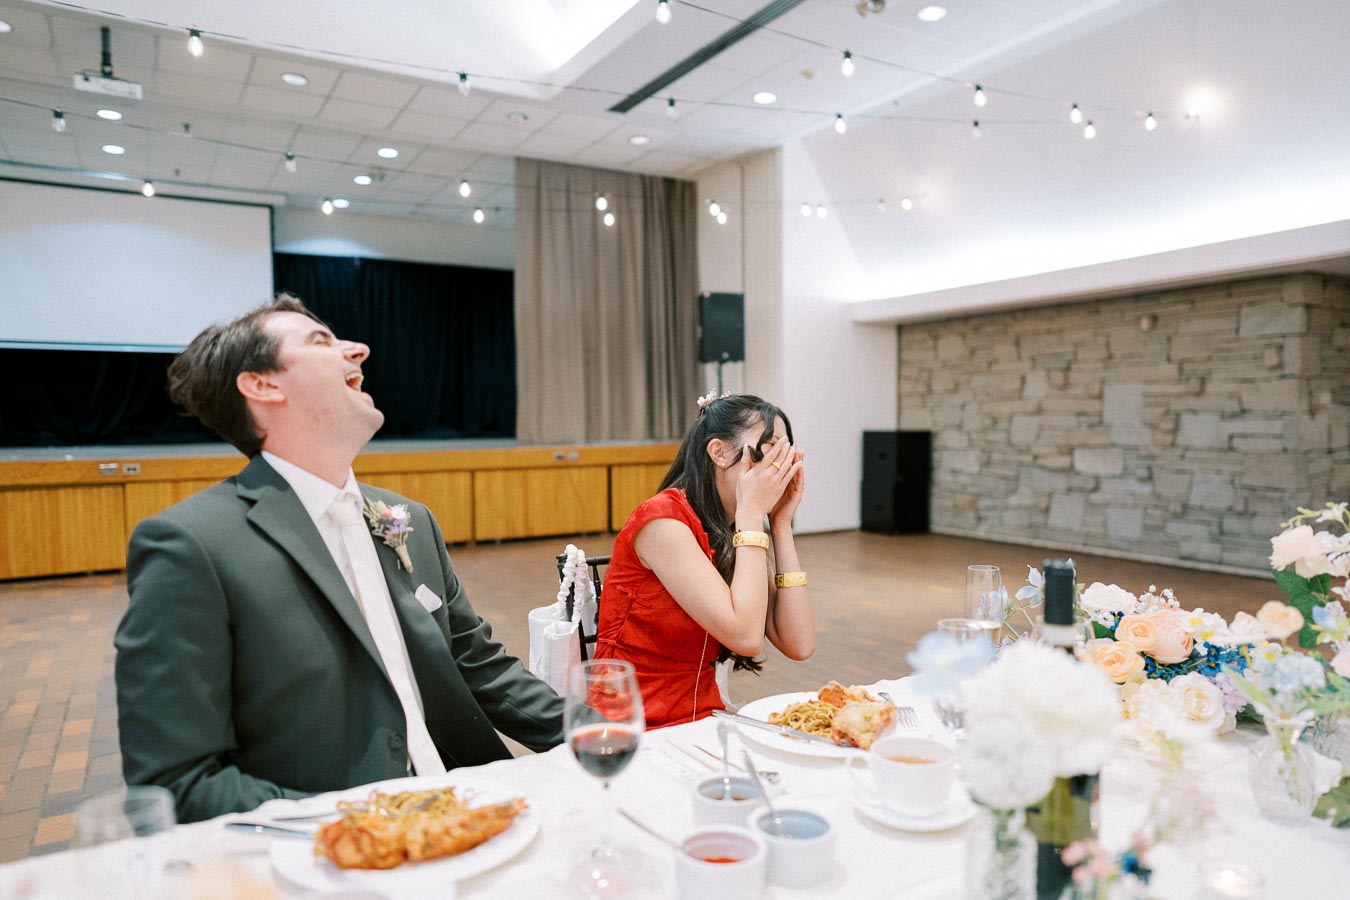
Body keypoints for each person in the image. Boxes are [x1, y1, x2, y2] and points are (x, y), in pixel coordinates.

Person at [115, 295, 563, 823]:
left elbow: (478, 667)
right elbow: (177, 782)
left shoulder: (408, 520)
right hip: (327, 852)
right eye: (321, 341)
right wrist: (361, 826)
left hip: (468, 811)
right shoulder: (193, 546)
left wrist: (617, 731)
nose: (359, 350)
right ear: (263, 384)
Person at [594, 392, 814, 728]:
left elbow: (799, 644)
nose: (779, 467)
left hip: (700, 717)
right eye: (771, 451)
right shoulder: (663, 523)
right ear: (719, 452)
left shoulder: (730, 529)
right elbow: (746, 637)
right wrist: (753, 514)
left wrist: (781, 524)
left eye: (786, 453)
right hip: (633, 724)